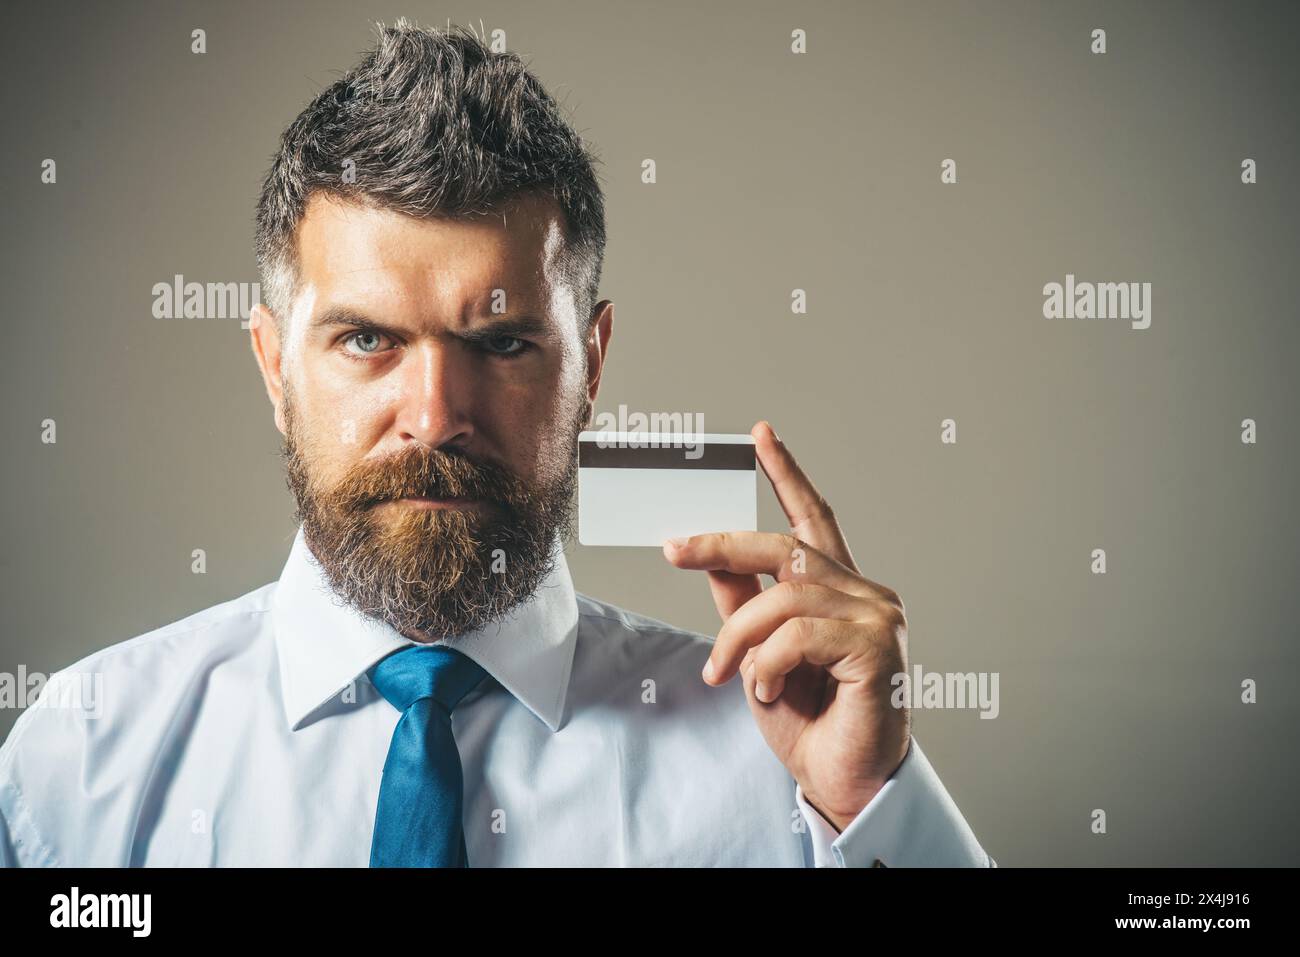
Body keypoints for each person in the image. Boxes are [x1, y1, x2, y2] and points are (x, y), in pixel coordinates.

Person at [0, 20, 993, 867]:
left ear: (590, 365)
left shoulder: (788, 774)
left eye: (504, 343)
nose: (435, 416)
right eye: (365, 340)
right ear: (272, 367)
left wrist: (873, 805)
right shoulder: (85, 758)